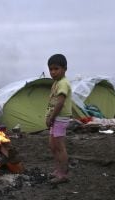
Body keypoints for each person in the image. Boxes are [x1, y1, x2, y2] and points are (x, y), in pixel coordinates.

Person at [45, 54, 72, 183]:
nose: (53, 72)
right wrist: (48, 117)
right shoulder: (56, 83)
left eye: (56, 69)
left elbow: (60, 103)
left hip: (60, 118)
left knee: (59, 147)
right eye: (51, 69)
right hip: (55, 118)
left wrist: (51, 117)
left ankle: (63, 174)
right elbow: (52, 102)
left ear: (65, 69)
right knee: (52, 146)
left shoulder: (63, 83)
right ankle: (58, 170)